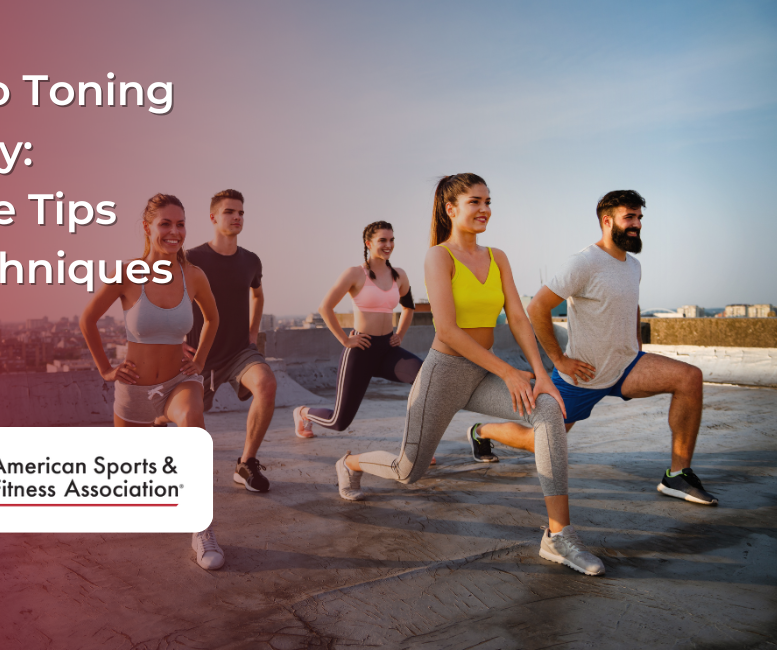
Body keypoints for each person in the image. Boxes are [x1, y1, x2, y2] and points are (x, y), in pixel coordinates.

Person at [335, 174, 606, 577]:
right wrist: (509, 373)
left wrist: (541, 375)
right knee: (408, 471)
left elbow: (518, 317)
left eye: (488, 201)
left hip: (483, 371)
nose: (484, 209)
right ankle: (350, 462)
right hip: (443, 375)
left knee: (548, 410)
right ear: (451, 209)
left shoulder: (498, 257)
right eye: (475, 201)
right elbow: (446, 330)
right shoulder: (438, 257)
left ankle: (558, 535)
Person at [466, 190, 717, 506]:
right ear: (607, 220)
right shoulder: (584, 262)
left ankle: (677, 475)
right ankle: (481, 431)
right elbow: (538, 307)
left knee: (689, 378)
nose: (637, 224)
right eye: (629, 217)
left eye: (639, 218)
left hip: (626, 367)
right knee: (534, 441)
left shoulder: (633, 265)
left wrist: (636, 344)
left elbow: (632, 304)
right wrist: (559, 359)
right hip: (582, 376)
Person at [79, 193, 226, 571]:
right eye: (165, 223)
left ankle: (202, 529)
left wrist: (201, 360)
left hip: (179, 382)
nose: (174, 231)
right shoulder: (128, 273)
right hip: (134, 391)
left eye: (180, 224)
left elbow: (213, 319)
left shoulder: (193, 276)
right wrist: (105, 369)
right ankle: (156, 435)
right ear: (148, 228)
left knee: (193, 423)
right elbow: (87, 319)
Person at [183, 189, 279, 493]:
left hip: (239, 353)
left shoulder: (251, 260)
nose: (237, 217)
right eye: (229, 212)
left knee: (266, 384)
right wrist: (173, 341)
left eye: (241, 213)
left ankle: (246, 463)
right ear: (213, 217)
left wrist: (252, 333)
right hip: (199, 355)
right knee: (169, 414)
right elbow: (167, 298)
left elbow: (258, 295)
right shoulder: (191, 258)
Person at [292, 221, 421, 438]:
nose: (388, 245)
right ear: (368, 243)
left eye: (391, 240)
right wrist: (345, 340)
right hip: (361, 350)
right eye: (382, 240)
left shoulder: (399, 275)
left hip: (388, 350)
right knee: (338, 422)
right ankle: (303, 413)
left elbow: (408, 307)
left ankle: (418, 443)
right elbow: (325, 307)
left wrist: (399, 334)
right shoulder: (355, 273)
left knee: (425, 379)